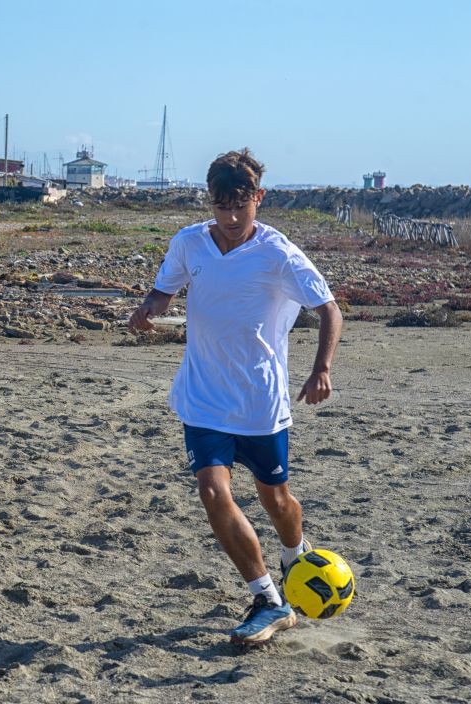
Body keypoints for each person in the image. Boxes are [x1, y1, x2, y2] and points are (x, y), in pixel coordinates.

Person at [129, 148, 342, 646]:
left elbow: (330, 310)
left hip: (260, 402)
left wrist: (321, 370)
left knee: (276, 498)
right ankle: (268, 598)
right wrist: (148, 307)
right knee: (211, 490)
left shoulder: (279, 254)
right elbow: (166, 290)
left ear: (258, 200)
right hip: (203, 397)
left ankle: (295, 555)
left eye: (240, 207)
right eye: (221, 206)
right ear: (210, 201)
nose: (229, 218)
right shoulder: (189, 243)